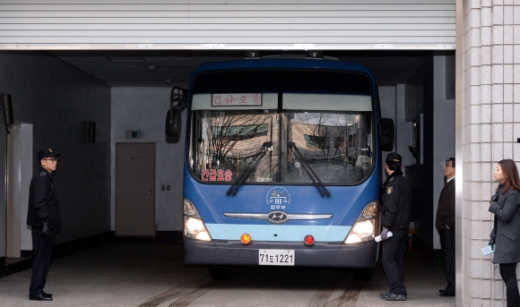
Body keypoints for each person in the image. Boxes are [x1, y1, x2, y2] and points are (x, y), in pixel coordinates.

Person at [27, 148, 61, 301]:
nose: (55, 162)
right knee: (41, 259)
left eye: (55, 159)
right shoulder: (41, 178)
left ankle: (39, 288)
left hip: (46, 225)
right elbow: (39, 203)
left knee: (45, 259)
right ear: (42, 162)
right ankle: (35, 291)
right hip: (43, 226)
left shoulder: (46, 178)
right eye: (52, 160)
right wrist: (46, 223)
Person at [379, 152, 412, 301]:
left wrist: (385, 228)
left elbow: (391, 209)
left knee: (387, 259)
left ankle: (398, 290)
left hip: (394, 228)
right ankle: (400, 289)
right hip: (403, 227)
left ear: (386, 166)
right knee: (397, 260)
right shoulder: (404, 181)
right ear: (401, 166)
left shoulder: (392, 184)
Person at [488, 159, 520, 307]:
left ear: (507, 173)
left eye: (498, 169)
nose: (495, 172)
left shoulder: (513, 193)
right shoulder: (503, 190)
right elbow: (500, 221)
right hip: (503, 239)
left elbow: (506, 216)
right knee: (506, 274)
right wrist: (493, 235)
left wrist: (493, 205)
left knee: (508, 275)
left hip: (509, 241)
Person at [436, 157, 456, 297]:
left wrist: (448, 224)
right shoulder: (449, 183)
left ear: (455, 169)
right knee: (448, 257)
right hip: (445, 227)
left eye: (448, 166)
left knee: (450, 257)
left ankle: (453, 286)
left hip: (448, 228)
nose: (445, 168)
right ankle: (450, 284)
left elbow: (455, 207)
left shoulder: (455, 185)